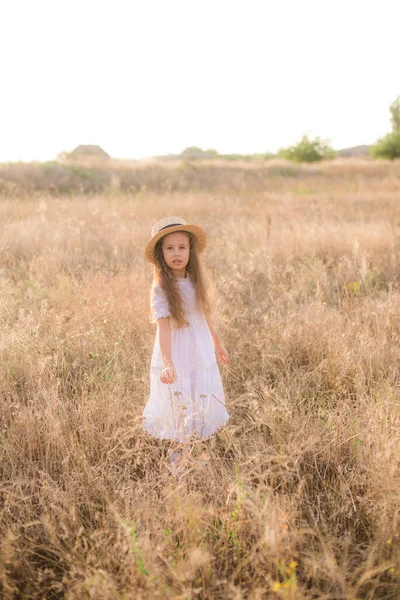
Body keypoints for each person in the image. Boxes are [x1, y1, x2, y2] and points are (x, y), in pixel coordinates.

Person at [142, 216, 230, 473]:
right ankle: (178, 456)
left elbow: (204, 316)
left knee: (199, 391)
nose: (177, 253)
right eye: (169, 248)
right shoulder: (161, 288)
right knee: (179, 398)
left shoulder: (195, 281)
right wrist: (168, 364)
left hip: (200, 347)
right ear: (161, 254)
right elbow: (164, 329)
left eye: (182, 247)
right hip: (177, 352)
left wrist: (217, 343)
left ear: (191, 251)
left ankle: (198, 449)